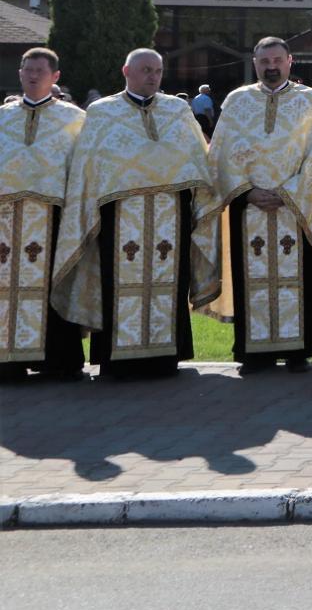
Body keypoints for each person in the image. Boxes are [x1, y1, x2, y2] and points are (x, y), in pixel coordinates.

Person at [50, 48, 219, 379]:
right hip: (118, 217)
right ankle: (117, 361)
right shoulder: (102, 112)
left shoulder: (177, 110)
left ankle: (165, 358)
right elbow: (88, 169)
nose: (152, 76)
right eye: (145, 69)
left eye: (157, 70)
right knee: (117, 283)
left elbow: (197, 159)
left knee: (170, 282)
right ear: (126, 70)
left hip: (172, 213)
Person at [200, 37, 312, 373]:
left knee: (304, 278)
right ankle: (253, 351)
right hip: (248, 208)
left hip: (298, 207)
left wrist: (288, 191)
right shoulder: (237, 100)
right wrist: (247, 192)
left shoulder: (310, 101)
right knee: (251, 278)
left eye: (277, 60)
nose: (271, 67)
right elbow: (220, 156)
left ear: (290, 61)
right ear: (255, 63)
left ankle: (299, 350)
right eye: (264, 61)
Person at [0, 47, 88, 381]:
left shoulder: (75, 119)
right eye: (27, 69)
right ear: (20, 73)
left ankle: (59, 360)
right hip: (5, 219)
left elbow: (84, 168)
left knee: (54, 284)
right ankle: (7, 361)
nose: (33, 75)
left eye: (40, 70)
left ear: (55, 77)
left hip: (55, 218)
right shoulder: (2, 117)